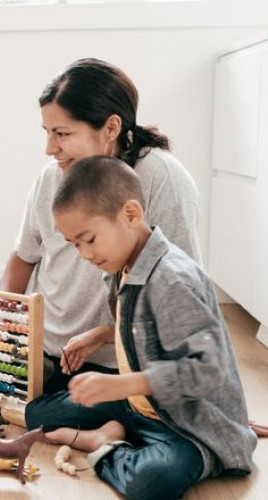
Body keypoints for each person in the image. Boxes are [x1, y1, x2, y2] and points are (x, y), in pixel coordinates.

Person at [25, 156, 255, 499]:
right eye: (75, 244)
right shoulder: (122, 265)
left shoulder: (174, 280)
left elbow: (208, 370)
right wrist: (102, 336)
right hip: (137, 404)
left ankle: (104, 444)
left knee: (150, 481)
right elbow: (141, 327)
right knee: (37, 413)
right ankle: (119, 430)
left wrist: (122, 384)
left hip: (187, 426)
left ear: (131, 214)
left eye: (89, 239)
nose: (84, 254)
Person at [0, 58, 201, 392]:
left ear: (110, 128)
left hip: (111, 360)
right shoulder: (52, 174)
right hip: (46, 341)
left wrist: (205, 397)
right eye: (48, 133)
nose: (50, 149)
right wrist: (7, 320)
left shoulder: (162, 178)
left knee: (72, 407)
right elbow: (25, 254)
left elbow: (185, 294)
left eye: (62, 134)